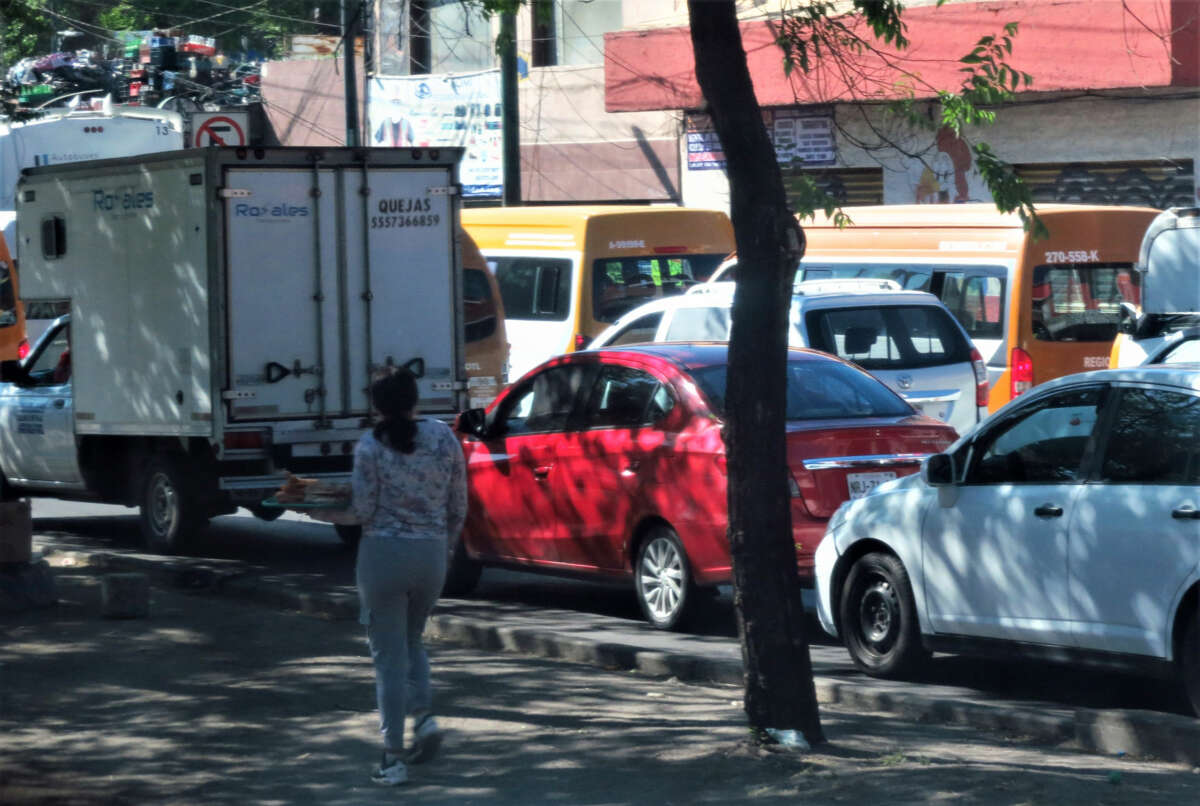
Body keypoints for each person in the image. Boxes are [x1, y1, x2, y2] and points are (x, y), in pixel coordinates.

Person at [336, 368, 468, 786]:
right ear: (416, 398)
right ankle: (424, 716)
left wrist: (318, 511)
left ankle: (392, 757)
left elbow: (361, 511)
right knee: (413, 642)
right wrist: (445, 547)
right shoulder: (443, 437)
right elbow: (459, 503)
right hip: (430, 556)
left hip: (383, 557)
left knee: (388, 659)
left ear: (376, 405)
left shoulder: (370, 445)